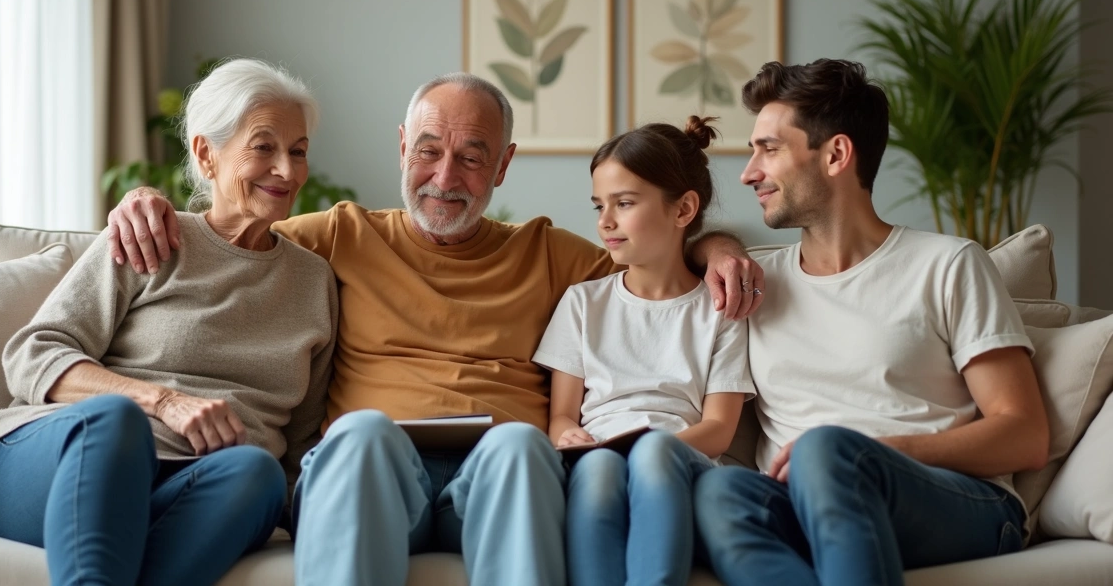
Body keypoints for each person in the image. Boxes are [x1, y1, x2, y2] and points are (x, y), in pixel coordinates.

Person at [107, 72, 765, 586]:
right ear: (402, 147)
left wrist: (723, 249)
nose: (445, 178)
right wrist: (145, 202)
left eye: (472, 159)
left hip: (496, 478)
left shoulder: (551, 254)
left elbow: (656, 257)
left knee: (520, 447)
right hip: (371, 472)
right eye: (428, 151)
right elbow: (231, 228)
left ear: (503, 167)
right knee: (362, 432)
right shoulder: (338, 236)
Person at [0, 58, 338, 586]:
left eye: (299, 151)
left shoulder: (313, 281)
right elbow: (31, 352)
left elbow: (301, 441)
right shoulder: (152, 235)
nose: (287, 170)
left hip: (192, 486)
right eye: (264, 147)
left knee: (257, 470)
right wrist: (162, 401)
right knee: (116, 418)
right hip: (64, 464)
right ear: (205, 154)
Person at [693, 59, 1050, 586]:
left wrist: (874, 450)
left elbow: (1025, 434)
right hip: (802, 501)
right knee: (717, 491)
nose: (748, 172)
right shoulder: (754, 280)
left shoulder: (948, 264)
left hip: (951, 499)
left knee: (826, 447)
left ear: (836, 154)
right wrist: (717, 249)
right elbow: (670, 253)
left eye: (769, 149)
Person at [535, 115, 755, 586]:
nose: (605, 221)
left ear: (683, 210)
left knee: (652, 459)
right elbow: (561, 416)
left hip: (680, 462)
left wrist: (654, 451)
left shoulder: (720, 311)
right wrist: (566, 435)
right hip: (598, 458)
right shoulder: (582, 303)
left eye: (625, 203)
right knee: (597, 475)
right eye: (599, 205)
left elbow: (717, 430)